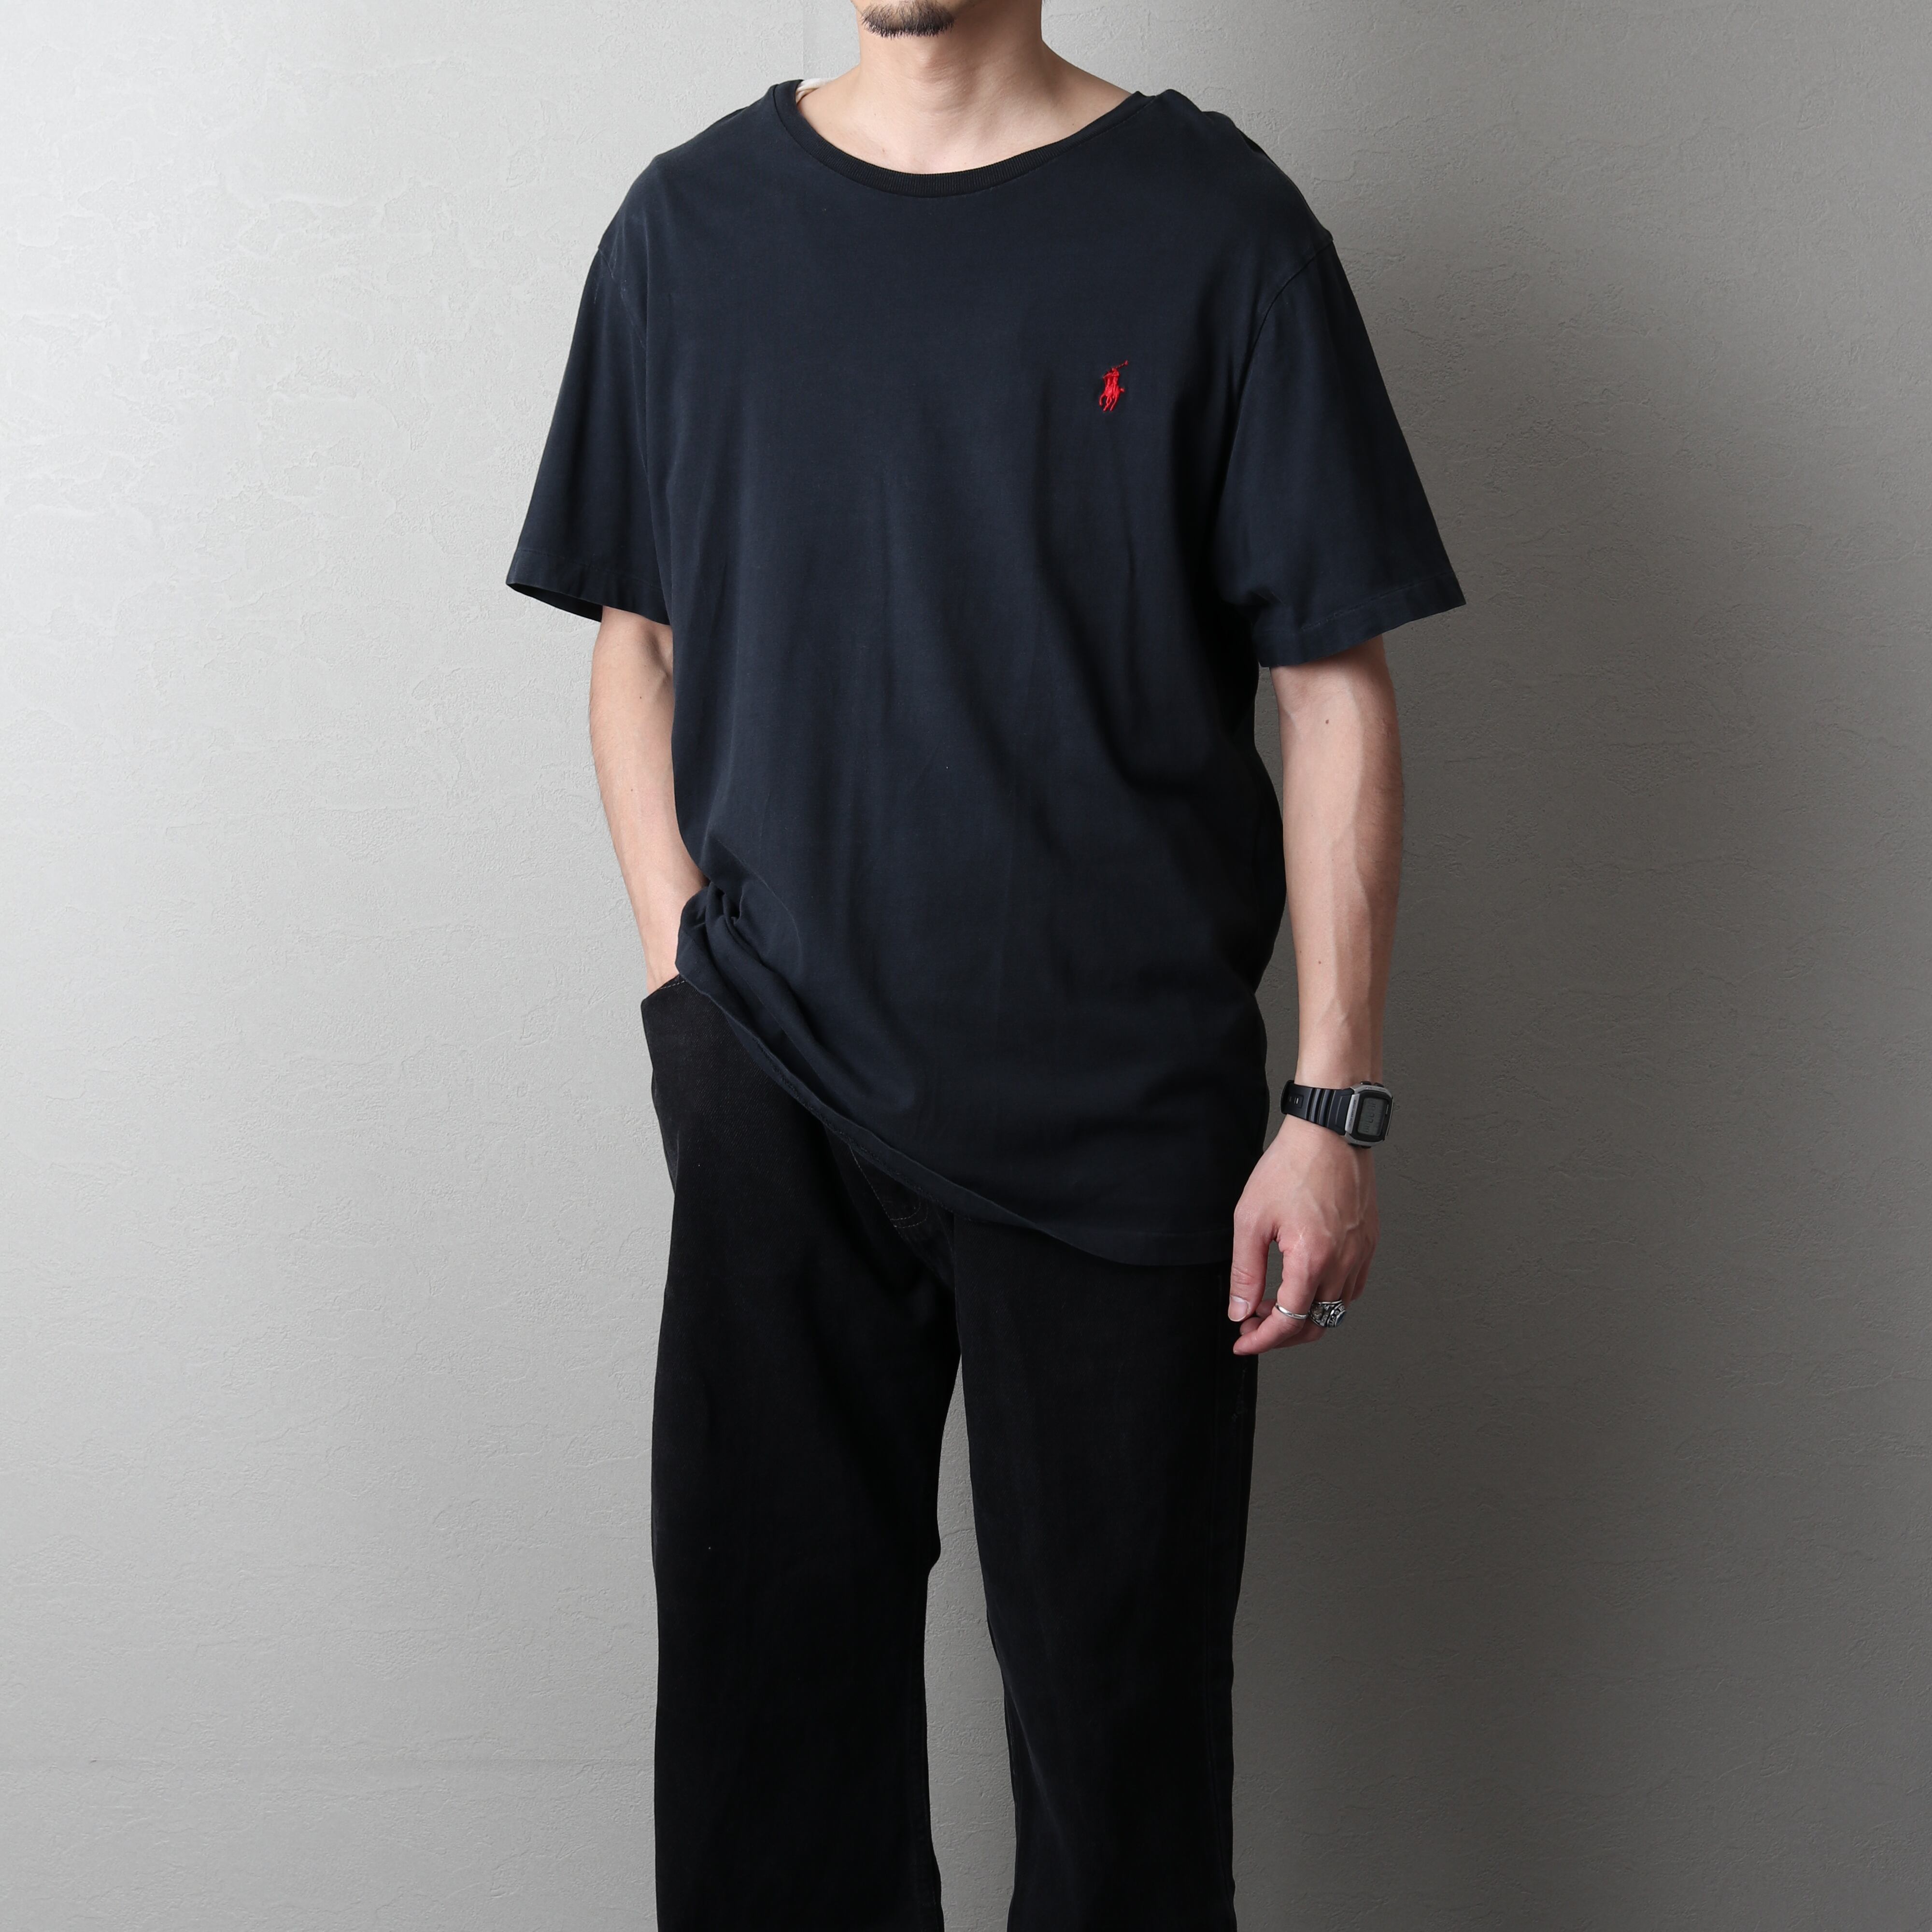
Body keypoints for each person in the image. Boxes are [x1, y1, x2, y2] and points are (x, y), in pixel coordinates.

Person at [506, 2, 1463, 1924]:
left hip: (1124, 1120)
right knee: (771, 1751)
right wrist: (684, 988)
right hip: (778, 1087)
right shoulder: (688, 231)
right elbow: (637, 642)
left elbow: (1330, 688)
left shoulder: (1216, 228)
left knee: (1121, 1762)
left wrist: (1331, 1105)